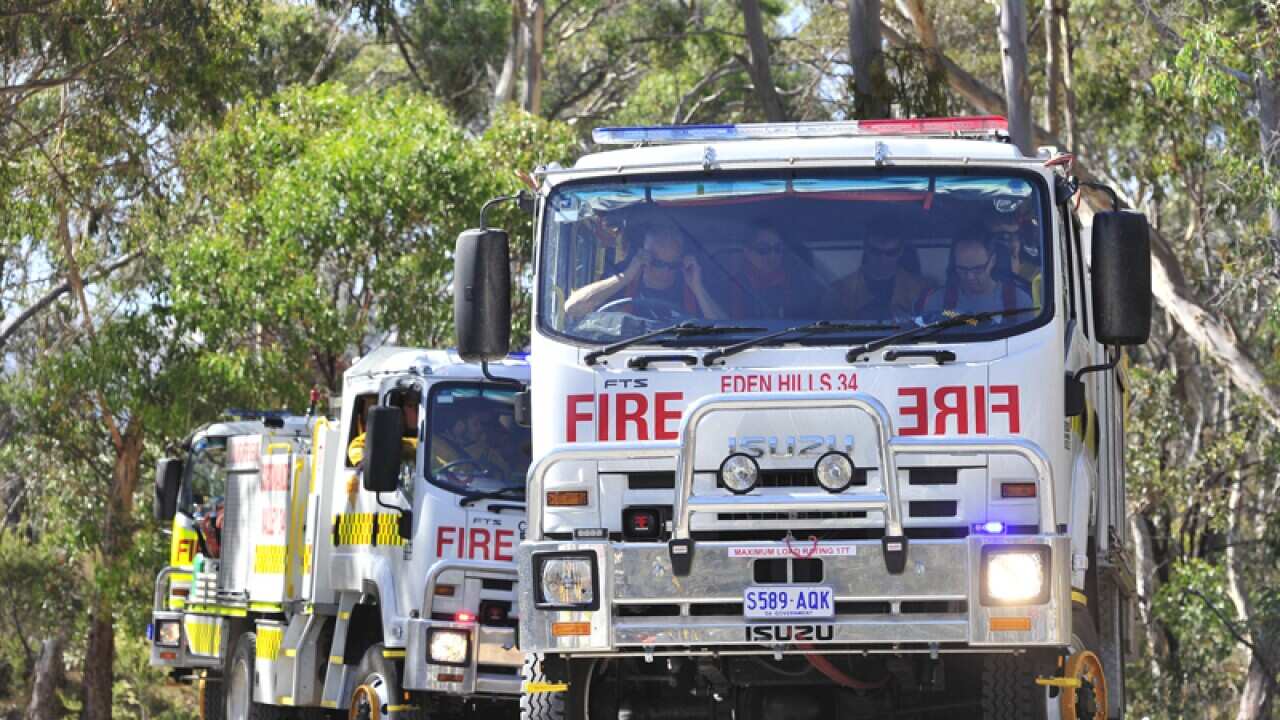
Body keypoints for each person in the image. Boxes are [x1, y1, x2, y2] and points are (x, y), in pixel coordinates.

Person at [563, 221, 726, 321]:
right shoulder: (622, 277)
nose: (665, 273)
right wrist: (626, 277)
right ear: (643, 257)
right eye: (658, 264)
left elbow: (725, 329)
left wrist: (698, 289)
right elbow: (572, 308)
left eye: (672, 265)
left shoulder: (694, 281)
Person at [823, 228, 934, 322]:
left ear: (901, 251)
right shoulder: (839, 291)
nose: (883, 258)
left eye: (891, 252)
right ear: (866, 249)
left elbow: (942, 318)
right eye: (876, 251)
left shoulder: (923, 289)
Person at [919, 232, 1034, 316]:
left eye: (978, 269)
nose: (970, 277)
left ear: (993, 261)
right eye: (962, 269)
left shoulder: (1018, 301)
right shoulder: (938, 301)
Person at [721, 221, 817, 320]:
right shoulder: (729, 288)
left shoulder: (800, 285)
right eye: (763, 249)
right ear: (747, 251)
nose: (772, 255)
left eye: (778, 248)